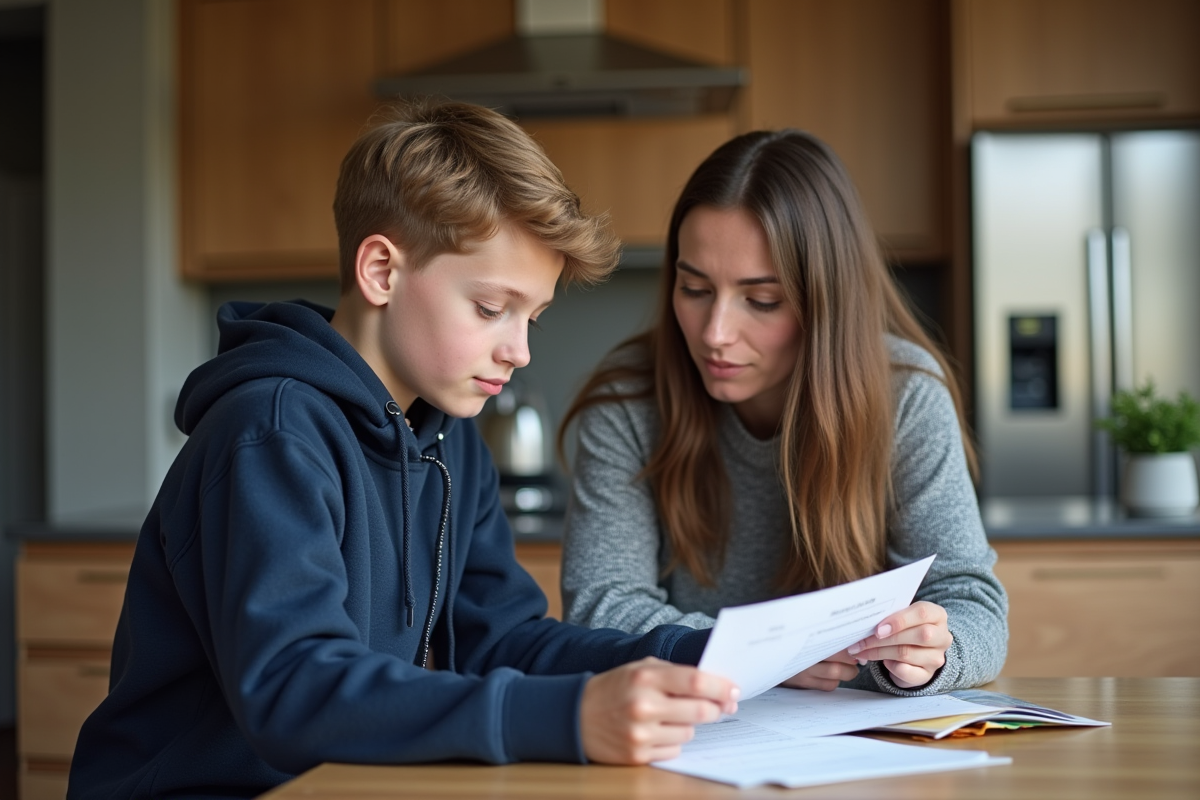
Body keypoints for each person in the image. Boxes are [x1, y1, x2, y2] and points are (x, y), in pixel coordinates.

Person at [67, 100, 738, 799]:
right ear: (382, 272)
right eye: (490, 309)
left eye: (532, 317)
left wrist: (701, 652)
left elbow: (497, 640)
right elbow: (295, 687)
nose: (520, 350)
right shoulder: (270, 434)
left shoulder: (449, 436)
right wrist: (567, 715)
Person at [559, 129, 1008, 696]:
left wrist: (935, 655)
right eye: (695, 288)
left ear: (827, 302)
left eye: (762, 300)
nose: (715, 334)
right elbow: (601, 607)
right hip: (690, 731)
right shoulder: (630, 402)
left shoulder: (907, 395)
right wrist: (760, 658)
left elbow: (972, 602)